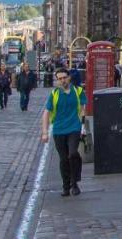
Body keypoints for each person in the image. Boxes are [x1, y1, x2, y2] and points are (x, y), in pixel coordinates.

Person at [41, 69, 87, 197]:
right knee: (63, 159)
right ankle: (66, 186)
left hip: (74, 127)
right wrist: (45, 132)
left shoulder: (78, 91)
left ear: (69, 78)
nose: (62, 80)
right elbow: (46, 113)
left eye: (64, 78)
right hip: (59, 130)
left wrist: (83, 125)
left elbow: (83, 109)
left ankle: (75, 182)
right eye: (59, 78)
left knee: (72, 154)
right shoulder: (54, 94)